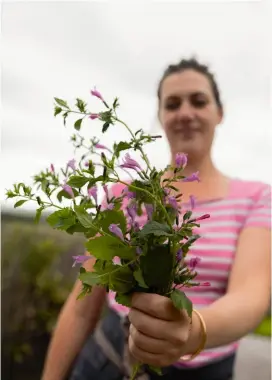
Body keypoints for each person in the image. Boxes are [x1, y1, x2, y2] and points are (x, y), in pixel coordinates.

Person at [41, 58, 271, 380]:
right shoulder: (125, 192)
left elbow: (251, 296)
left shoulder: (256, 197)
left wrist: (192, 331)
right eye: (172, 104)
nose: (185, 113)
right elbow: (83, 305)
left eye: (199, 101)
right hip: (109, 361)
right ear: (161, 116)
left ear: (220, 112)